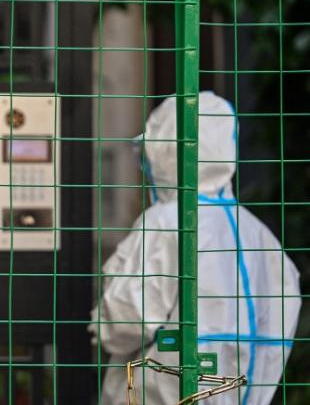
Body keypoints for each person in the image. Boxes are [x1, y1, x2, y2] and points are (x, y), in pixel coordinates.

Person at [90, 91, 301, 405]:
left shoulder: (167, 223)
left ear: (163, 150)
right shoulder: (260, 236)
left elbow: (122, 323)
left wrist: (101, 323)